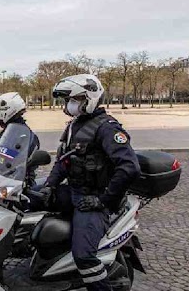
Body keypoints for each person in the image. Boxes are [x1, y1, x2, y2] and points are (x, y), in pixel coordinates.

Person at [34, 74, 140, 291]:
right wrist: (49, 187)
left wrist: (102, 201)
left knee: (84, 256)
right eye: (68, 101)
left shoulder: (107, 128)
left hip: (93, 198)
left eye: (75, 100)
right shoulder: (75, 125)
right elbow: (63, 162)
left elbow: (129, 167)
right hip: (73, 192)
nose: (70, 105)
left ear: (89, 98)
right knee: (24, 199)